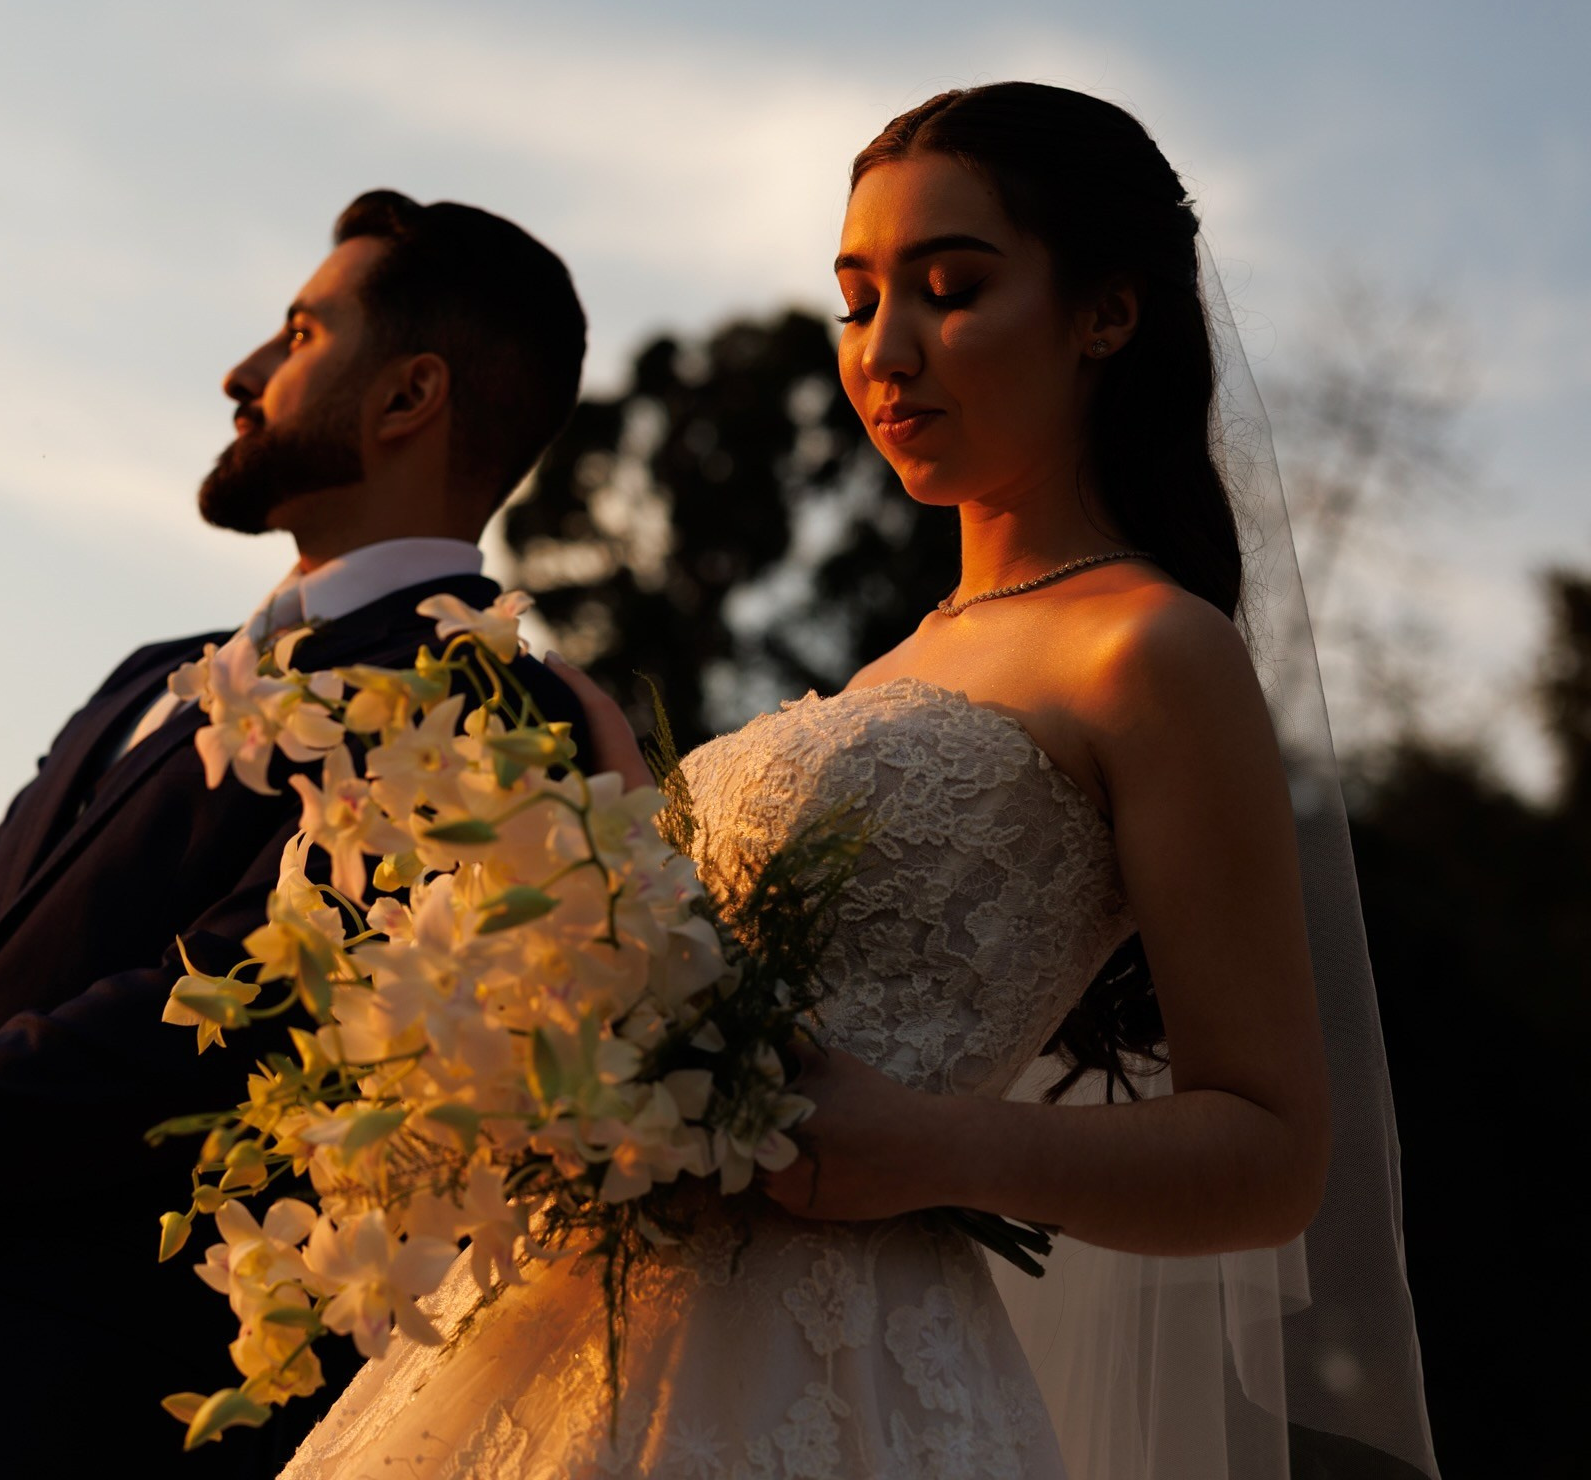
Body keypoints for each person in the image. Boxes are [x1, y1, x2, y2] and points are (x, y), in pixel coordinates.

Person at [282, 85, 1437, 1479]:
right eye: (855, 300)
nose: (886, 350)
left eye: (951, 289)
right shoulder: (895, 665)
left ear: (1106, 315)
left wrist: (938, 1144)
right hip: (571, 1344)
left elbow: (1272, 1154)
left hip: (843, 1381)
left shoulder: (1150, 650)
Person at [0, 190, 592, 1480]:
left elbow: (230, 1008)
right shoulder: (156, 676)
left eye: (296, 334)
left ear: (408, 398)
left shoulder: (487, 700)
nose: (243, 373)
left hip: (35, 1411)